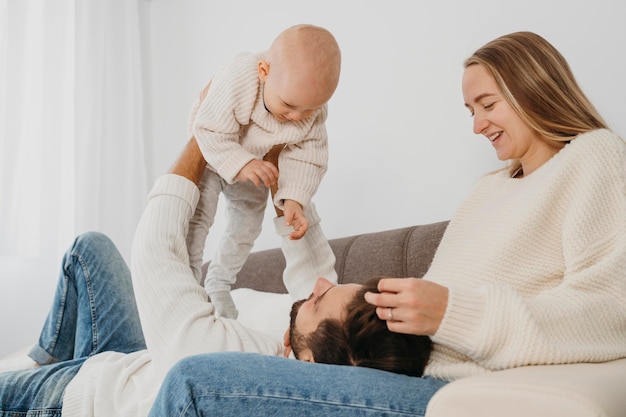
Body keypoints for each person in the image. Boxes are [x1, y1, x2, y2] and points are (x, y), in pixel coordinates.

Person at [148, 31, 626, 416]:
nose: (477, 126)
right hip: (398, 371)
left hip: (444, 391)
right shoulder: (488, 189)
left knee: (195, 379)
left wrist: (452, 314)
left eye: (488, 104)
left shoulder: (594, 158)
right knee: (201, 363)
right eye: (470, 110)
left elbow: (611, 313)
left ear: (533, 87)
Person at [0, 138, 434, 417]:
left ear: (310, 366)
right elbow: (312, 271)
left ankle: (47, 368)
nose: (320, 286)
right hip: (135, 357)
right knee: (88, 248)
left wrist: (201, 139)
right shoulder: (311, 354)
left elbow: (156, 257)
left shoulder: (236, 369)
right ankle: (46, 354)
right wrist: (285, 177)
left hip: (83, 394)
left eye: (321, 301)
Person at [187, 23, 341, 318]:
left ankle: (220, 281)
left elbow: (307, 158)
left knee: (247, 225)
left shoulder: (312, 113)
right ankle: (192, 281)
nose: (296, 117)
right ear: (263, 72)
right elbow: (206, 128)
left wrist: (293, 198)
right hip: (214, 152)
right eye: (288, 104)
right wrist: (241, 162)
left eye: (309, 110)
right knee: (198, 216)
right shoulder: (240, 78)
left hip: (258, 165)